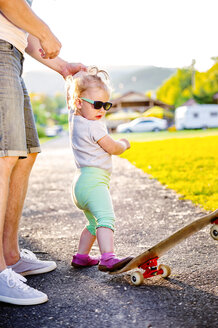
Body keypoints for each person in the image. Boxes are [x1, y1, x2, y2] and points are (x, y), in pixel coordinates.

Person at [0, 0, 86, 305]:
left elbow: (22, 24)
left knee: (25, 154)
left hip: (12, 53)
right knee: (4, 157)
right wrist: (47, 32)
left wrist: (62, 66)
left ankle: (9, 255)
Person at [67, 67, 133, 273]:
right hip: (95, 183)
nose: (102, 110)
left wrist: (75, 79)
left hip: (80, 184)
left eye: (106, 105)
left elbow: (71, 97)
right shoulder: (94, 126)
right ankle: (108, 258)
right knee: (106, 219)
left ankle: (81, 256)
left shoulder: (75, 120)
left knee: (93, 223)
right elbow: (112, 148)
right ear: (79, 102)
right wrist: (123, 143)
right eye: (97, 105)